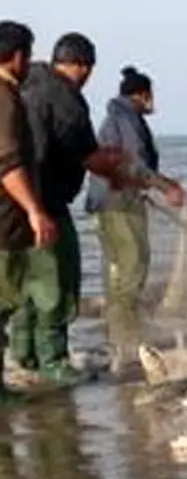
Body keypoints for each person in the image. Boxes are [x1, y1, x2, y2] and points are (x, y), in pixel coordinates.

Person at [15, 33, 126, 386]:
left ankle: (25, 354)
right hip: (45, 202)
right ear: (82, 65)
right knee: (57, 281)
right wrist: (117, 167)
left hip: (12, 203)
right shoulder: (64, 97)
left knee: (24, 282)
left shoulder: (25, 81)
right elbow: (87, 155)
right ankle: (54, 362)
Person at [85, 66, 187, 365]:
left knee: (116, 271)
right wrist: (166, 187)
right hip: (119, 204)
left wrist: (158, 182)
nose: (152, 102)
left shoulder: (116, 117)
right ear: (142, 95)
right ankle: (128, 345)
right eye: (150, 96)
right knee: (131, 269)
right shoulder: (128, 119)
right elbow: (135, 164)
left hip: (106, 202)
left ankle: (119, 341)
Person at [0, 21, 59, 405]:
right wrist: (35, 211)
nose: (31, 61)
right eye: (29, 53)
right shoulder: (3, 97)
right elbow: (6, 162)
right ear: (17, 54)